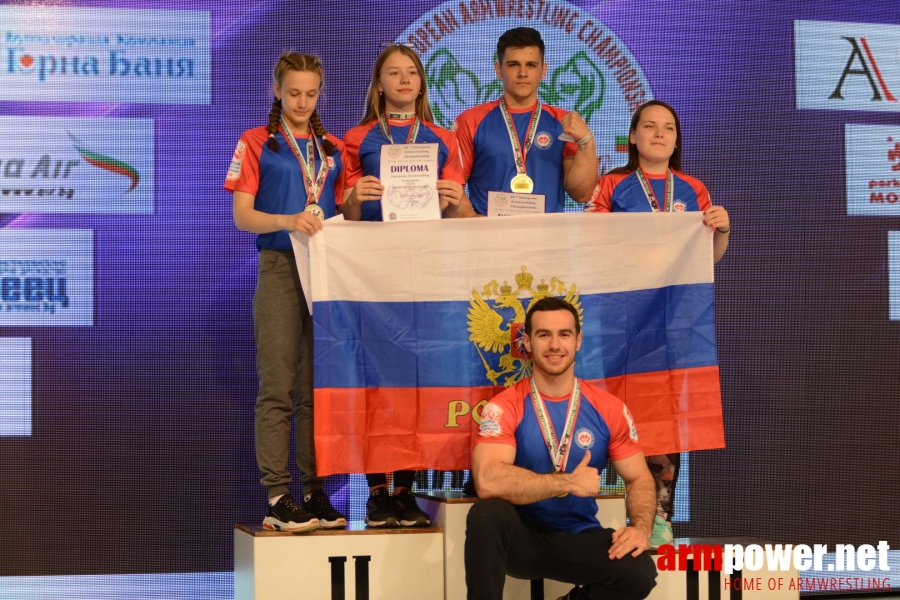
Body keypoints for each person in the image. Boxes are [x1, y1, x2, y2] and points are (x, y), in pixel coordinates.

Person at [586, 99, 730, 547]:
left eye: (668, 127)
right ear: (633, 136)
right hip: (620, 321)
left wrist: (720, 230)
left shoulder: (693, 188)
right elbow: (589, 245)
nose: (659, 133)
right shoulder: (611, 186)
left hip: (674, 325)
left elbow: (705, 260)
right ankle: (605, 512)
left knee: (668, 417)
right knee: (615, 413)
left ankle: (660, 512)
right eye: (649, 126)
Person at [342, 45, 475, 527]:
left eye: (411, 72)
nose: (403, 80)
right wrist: (356, 197)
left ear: (421, 83)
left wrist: (455, 199)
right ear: (378, 84)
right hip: (375, 268)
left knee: (419, 379)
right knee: (377, 379)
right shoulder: (356, 138)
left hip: (426, 269)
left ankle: (406, 490)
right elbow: (347, 213)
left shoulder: (443, 137)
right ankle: (377, 492)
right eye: (393, 73)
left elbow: (457, 210)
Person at [224, 51, 347, 533]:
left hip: (326, 270)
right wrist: (287, 220)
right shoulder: (258, 143)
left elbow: (343, 210)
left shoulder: (332, 148)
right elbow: (242, 216)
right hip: (279, 266)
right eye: (293, 92)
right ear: (277, 90)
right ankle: (279, 494)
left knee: (316, 389)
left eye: (310, 93)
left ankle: (316, 491)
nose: (301, 101)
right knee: (277, 385)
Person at [465, 297, 658, 600]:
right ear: (526, 341)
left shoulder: (608, 408)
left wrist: (641, 529)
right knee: (486, 515)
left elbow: (639, 478)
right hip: (523, 538)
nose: (555, 345)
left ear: (578, 340)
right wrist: (567, 482)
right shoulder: (503, 407)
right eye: (544, 335)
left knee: (639, 572)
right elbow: (487, 481)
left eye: (564, 334)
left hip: (578, 536)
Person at [453, 27, 599, 215]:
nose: (523, 73)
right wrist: (473, 221)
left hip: (548, 240)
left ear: (543, 70)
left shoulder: (563, 123)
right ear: (498, 69)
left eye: (531, 65)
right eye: (513, 65)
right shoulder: (471, 121)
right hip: (490, 240)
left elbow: (583, 194)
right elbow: (453, 187)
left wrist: (587, 142)